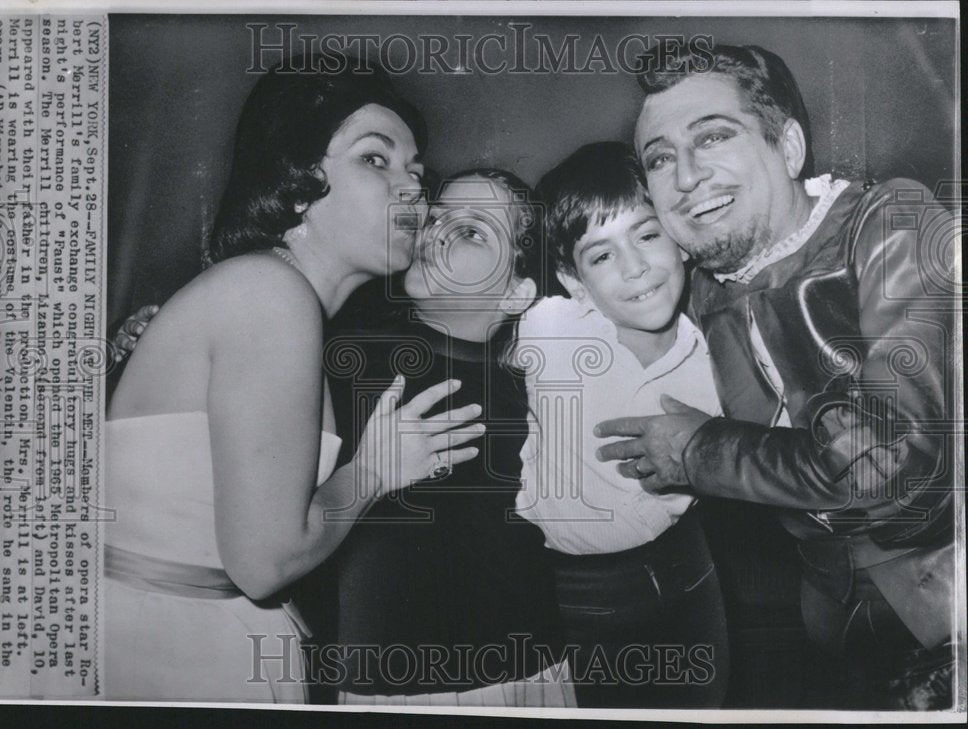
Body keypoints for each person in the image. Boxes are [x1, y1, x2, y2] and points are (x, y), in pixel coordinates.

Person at [103, 55, 483, 702]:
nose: (414, 187)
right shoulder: (270, 294)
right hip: (176, 654)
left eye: (415, 170)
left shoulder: (273, 297)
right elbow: (267, 561)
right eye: (375, 159)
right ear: (299, 182)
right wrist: (374, 471)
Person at [596, 42, 956, 709]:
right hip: (833, 636)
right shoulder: (701, 290)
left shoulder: (891, 221)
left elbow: (896, 472)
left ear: (788, 147)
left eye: (713, 136)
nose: (686, 175)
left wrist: (697, 451)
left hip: (950, 622)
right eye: (661, 158)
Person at [326, 169, 573, 706]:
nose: (434, 234)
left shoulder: (547, 386)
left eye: (471, 231)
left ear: (516, 292)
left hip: (523, 682)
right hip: (385, 693)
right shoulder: (341, 353)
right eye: (436, 218)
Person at [513, 142, 729, 708]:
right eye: (601, 255)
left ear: (680, 241)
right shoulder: (548, 327)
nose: (635, 267)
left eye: (647, 235)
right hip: (579, 592)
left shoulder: (715, 352)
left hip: (690, 567)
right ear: (572, 277)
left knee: (707, 709)